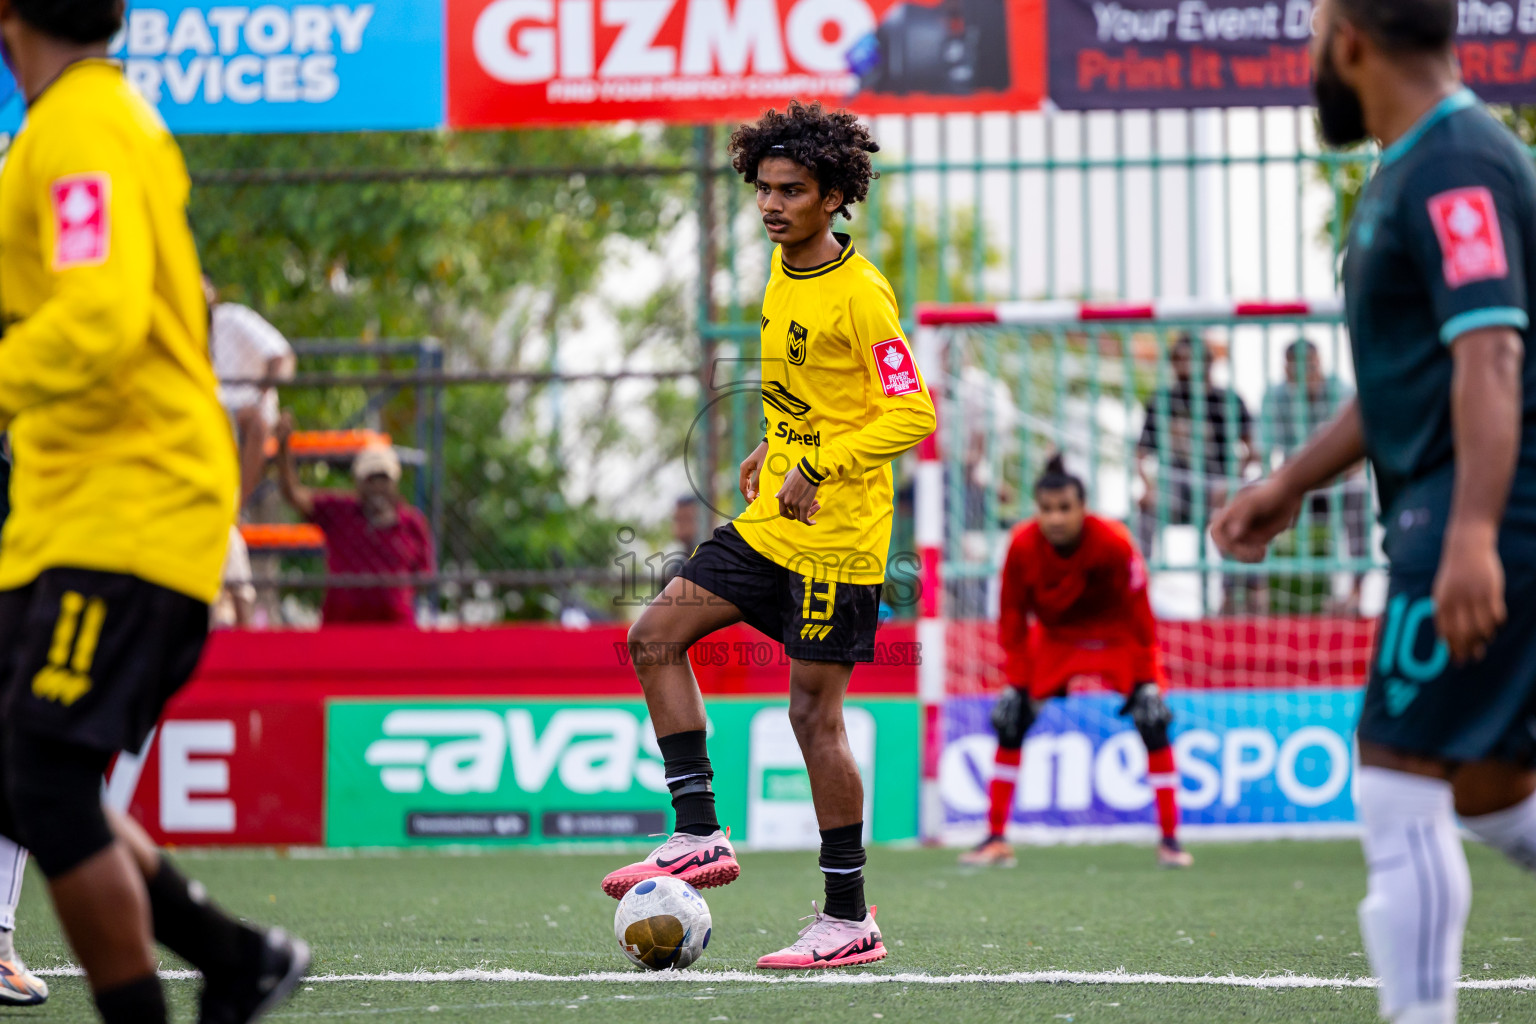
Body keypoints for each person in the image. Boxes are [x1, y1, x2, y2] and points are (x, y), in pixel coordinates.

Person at [1214, 2, 1536, 1021]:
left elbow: (1491, 353)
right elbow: (1410, 377)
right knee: (1487, 786)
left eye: (1313, 36)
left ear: (1349, 40)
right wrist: (1289, 483)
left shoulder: (1455, 161)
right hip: (1462, 511)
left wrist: (1473, 533)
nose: (1311, 59)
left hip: (1481, 513)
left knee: (1399, 777)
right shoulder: (1414, 163)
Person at [0, 3, 308, 1022]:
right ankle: (236, 957)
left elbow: (96, 315)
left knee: (46, 777)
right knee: (19, 770)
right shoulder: (73, 122)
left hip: (129, 509)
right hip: (68, 512)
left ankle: (198, 980)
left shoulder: (82, 123)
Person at [601, 101, 936, 970]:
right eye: (764, 189)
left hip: (838, 539)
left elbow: (912, 412)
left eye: (792, 191)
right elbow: (814, 396)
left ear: (834, 197)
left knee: (812, 718)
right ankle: (698, 834)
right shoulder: (782, 274)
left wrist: (817, 464)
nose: (772, 205)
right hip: (771, 524)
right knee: (654, 636)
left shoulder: (862, 293)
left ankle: (848, 920)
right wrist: (772, 446)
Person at [961, 456, 1192, 869]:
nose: (1056, 518)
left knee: (1152, 719)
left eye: (1065, 508)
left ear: (1083, 508)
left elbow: (1140, 611)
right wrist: (1016, 681)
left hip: (1115, 636)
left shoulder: (1114, 541)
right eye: (1047, 509)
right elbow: (1012, 614)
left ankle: (1171, 841)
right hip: (1055, 639)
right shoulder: (1021, 544)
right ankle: (995, 838)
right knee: (1012, 720)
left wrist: (1148, 679)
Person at [275, 413, 435, 626]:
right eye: (371, 479)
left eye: (383, 478)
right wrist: (283, 448)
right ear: (359, 483)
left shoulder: (411, 522)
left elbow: (424, 577)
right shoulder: (339, 511)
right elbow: (294, 495)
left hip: (396, 630)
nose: (377, 486)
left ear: (394, 483)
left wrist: (391, 588)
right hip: (342, 628)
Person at [1137, 333, 1255, 610]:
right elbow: (1140, 454)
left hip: (1218, 486)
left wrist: (1232, 482)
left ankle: (1235, 596)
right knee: (1144, 511)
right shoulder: (1162, 399)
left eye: (1191, 359)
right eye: (1179, 359)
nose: (1185, 366)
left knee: (1239, 512)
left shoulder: (1228, 399)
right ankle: (1138, 586)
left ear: (1207, 363)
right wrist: (1148, 487)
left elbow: (1253, 450)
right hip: (1175, 487)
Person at [1257, 340, 1369, 611]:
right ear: (1286, 369)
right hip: (1293, 486)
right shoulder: (1275, 396)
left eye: (1309, 364)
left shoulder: (1341, 392)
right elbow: (1266, 456)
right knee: (1252, 498)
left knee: (1358, 494)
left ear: (1319, 363)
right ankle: (1256, 591)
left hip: (1335, 483)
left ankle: (1356, 592)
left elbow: (1358, 457)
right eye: (1296, 366)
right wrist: (1284, 484)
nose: (1304, 371)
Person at [205, 278, 295, 508]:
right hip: (208, 414)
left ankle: (236, 507)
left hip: (247, 410)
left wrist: (260, 396)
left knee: (256, 423)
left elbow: (281, 356)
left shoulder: (233, 318)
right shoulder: (182, 328)